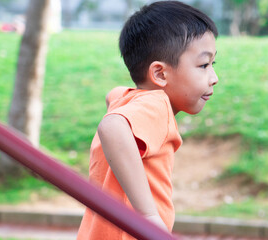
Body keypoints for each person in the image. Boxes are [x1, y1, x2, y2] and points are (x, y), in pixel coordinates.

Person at [77, 1, 218, 239]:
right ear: (160, 74)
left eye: (213, 64)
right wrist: (148, 217)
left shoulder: (129, 99)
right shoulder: (157, 105)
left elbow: (112, 95)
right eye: (203, 65)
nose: (214, 78)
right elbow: (112, 127)